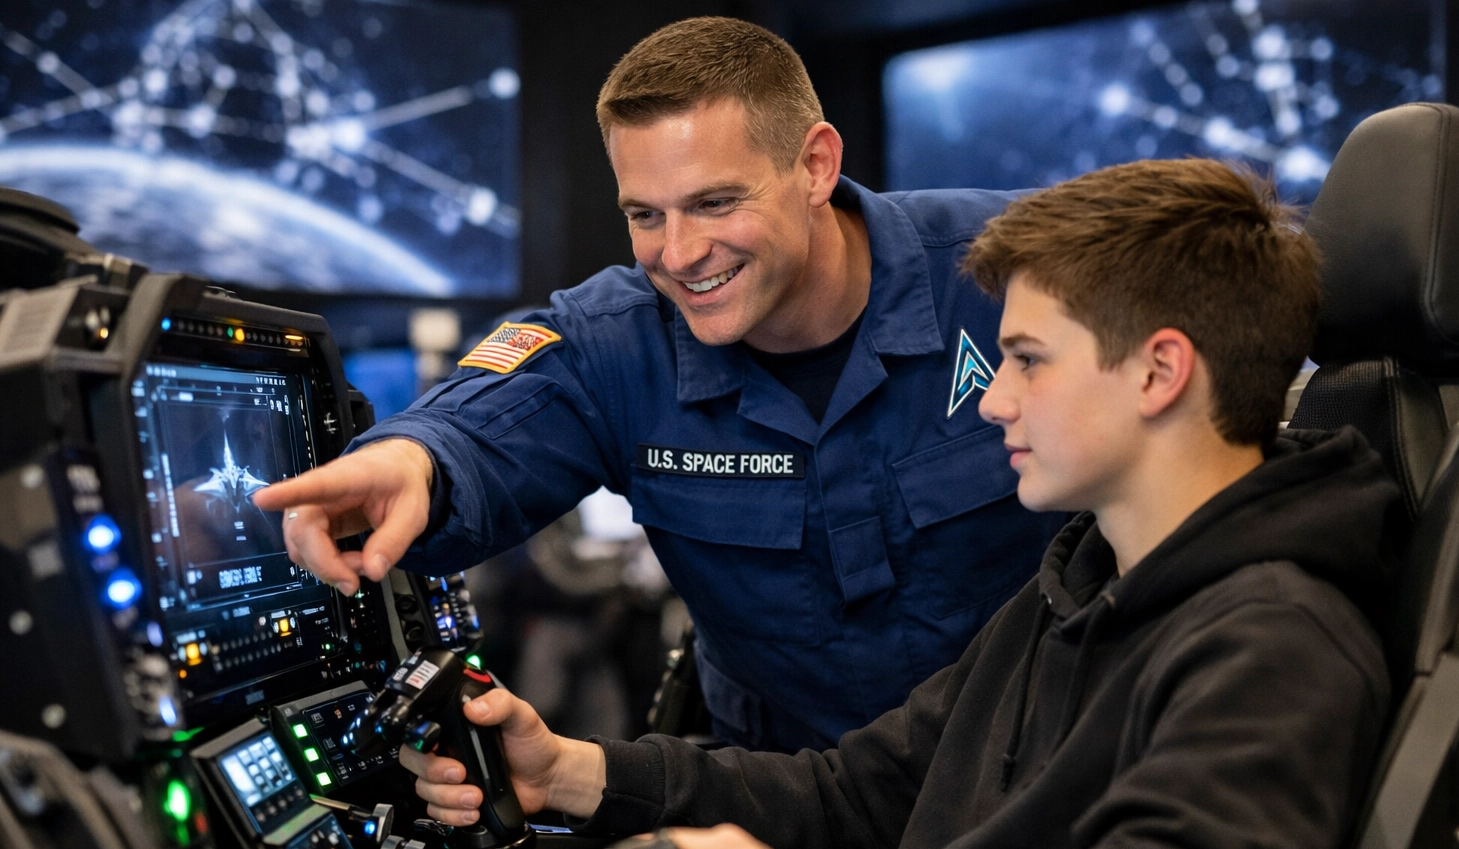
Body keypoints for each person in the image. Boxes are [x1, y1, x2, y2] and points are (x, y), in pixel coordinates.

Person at [396, 158, 1403, 849]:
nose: (993, 397)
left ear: (1158, 373)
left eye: (1026, 361)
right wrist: (568, 771)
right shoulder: (1080, 586)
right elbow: (852, 795)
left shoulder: (1273, 632)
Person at [252, 17, 1065, 753]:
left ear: (815, 164)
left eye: (715, 203)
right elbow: (482, 427)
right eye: (645, 215)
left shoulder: (1020, 273)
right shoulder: (620, 340)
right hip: (779, 818)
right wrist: (410, 459)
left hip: (1042, 800)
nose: (678, 255)